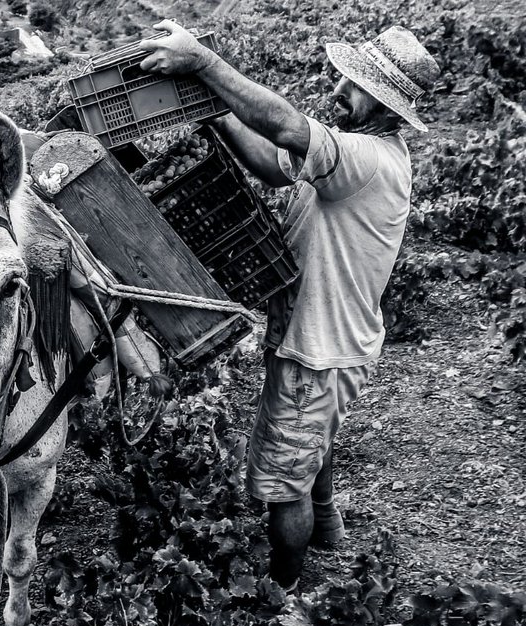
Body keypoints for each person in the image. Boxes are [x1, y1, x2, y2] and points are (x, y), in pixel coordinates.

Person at [140, 22, 440, 588]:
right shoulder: (356, 155)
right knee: (314, 439)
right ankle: (327, 527)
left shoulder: (365, 156)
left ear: (382, 102)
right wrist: (218, 112)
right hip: (336, 340)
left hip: (318, 351)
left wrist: (204, 63)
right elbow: (270, 161)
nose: (338, 92)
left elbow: (282, 123)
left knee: (284, 481)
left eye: (353, 86)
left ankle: (285, 595)